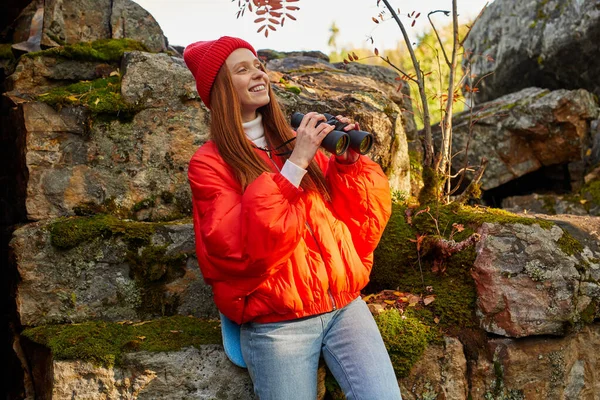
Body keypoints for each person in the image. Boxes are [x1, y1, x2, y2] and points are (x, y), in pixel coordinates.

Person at [183, 36, 402, 400]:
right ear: (221, 89)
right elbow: (245, 248)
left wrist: (349, 166)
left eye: (258, 65)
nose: (258, 74)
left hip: (345, 306)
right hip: (278, 323)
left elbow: (361, 224)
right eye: (242, 69)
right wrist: (295, 165)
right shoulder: (209, 164)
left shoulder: (296, 141)